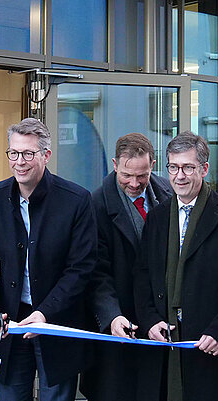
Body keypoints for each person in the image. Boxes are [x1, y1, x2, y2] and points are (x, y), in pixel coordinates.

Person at [0, 118, 97, 401]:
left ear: (46, 155)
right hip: (9, 322)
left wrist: (45, 313)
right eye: (13, 153)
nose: (19, 161)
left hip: (57, 321)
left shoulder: (76, 200)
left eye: (28, 154)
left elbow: (81, 268)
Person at [133, 131, 218, 401]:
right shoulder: (157, 217)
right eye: (173, 167)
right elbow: (142, 277)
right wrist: (150, 321)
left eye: (188, 167)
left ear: (204, 168)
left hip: (212, 348)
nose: (179, 176)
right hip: (165, 346)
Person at [81, 132, 172, 401]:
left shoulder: (169, 193)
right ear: (114, 164)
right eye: (126, 176)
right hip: (121, 325)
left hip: (162, 324)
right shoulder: (95, 205)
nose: (134, 183)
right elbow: (97, 272)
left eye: (141, 175)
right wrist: (112, 316)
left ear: (152, 164)